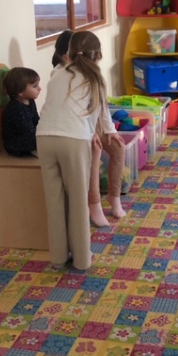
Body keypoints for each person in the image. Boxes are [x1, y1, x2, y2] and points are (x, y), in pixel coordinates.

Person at [37, 31, 124, 270]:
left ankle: (58, 258)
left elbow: (56, 108)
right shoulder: (95, 79)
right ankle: (82, 260)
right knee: (77, 201)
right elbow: (101, 111)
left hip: (44, 138)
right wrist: (108, 131)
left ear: (69, 52)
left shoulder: (57, 75)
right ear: (98, 55)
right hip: (72, 140)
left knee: (55, 202)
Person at [51, 29, 125, 228]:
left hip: (93, 124)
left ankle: (114, 196)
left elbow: (102, 105)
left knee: (118, 147)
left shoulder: (93, 75)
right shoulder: (60, 74)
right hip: (78, 129)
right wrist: (92, 133)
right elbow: (73, 112)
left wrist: (110, 130)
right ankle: (94, 202)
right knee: (95, 151)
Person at [1, 67, 41, 157]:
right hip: (16, 144)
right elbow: (27, 131)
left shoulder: (30, 101)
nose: (39, 88)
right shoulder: (15, 108)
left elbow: (36, 120)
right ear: (20, 91)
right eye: (35, 86)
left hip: (29, 136)